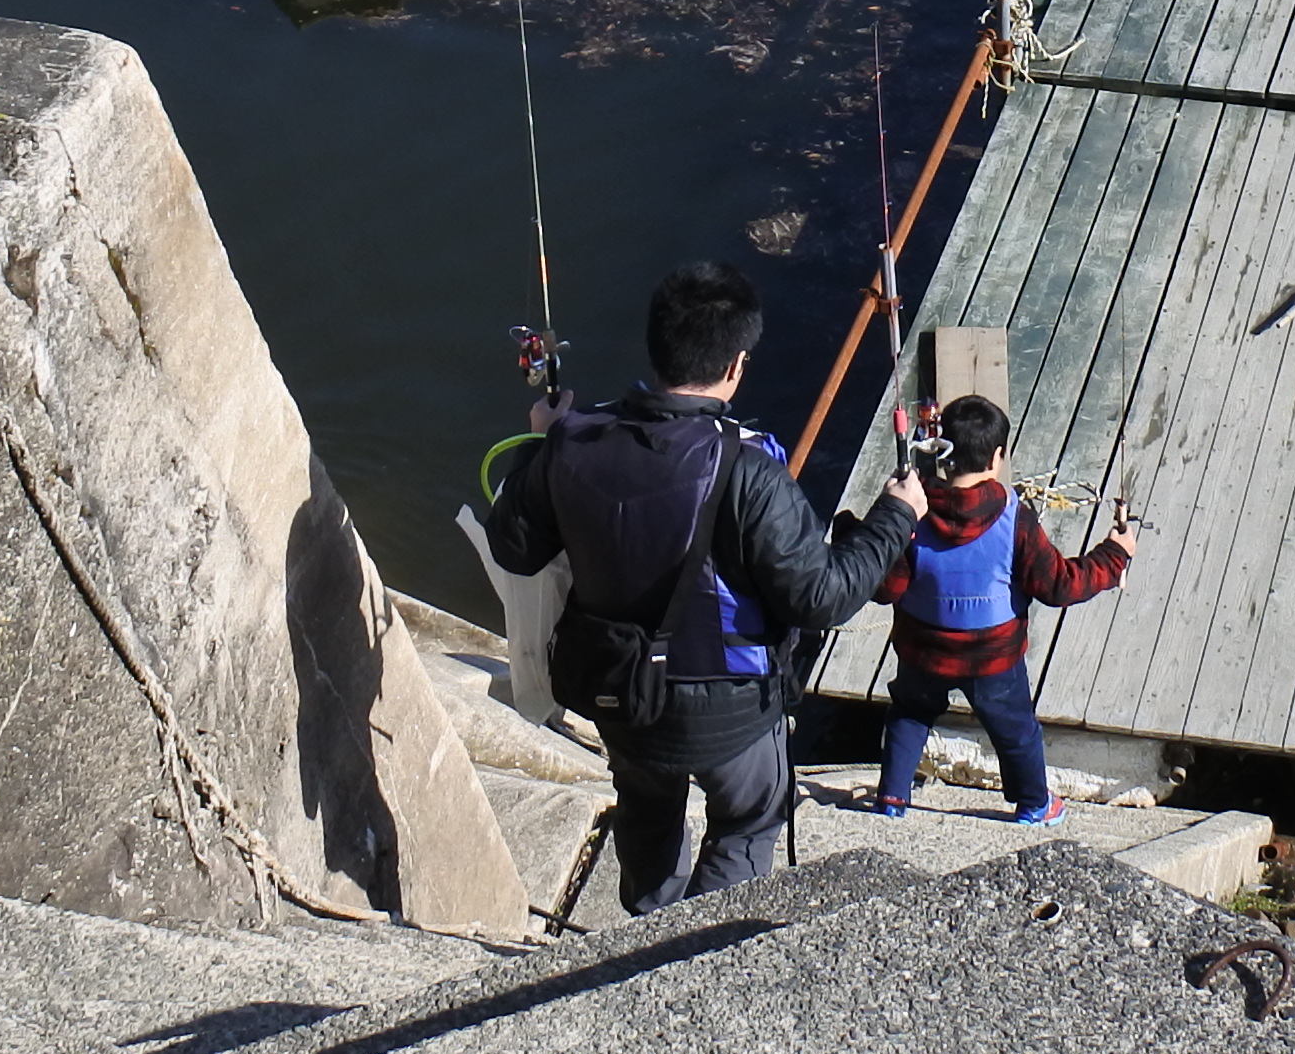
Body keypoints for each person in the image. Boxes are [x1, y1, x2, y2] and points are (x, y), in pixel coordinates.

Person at [474, 264, 912, 915]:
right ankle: (695, 948)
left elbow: (513, 545)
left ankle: (650, 928)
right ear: (736, 365)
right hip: (732, 708)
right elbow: (821, 597)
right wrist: (896, 515)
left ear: (656, 349)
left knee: (648, 817)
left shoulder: (571, 444)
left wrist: (539, 441)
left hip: (619, 692)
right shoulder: (751, 467)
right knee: (750, 821)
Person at [862, 398, 1128, 823]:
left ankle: (892, 799)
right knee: (1016, 731)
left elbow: (885, 588)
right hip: (994, 659)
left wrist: (856, 529)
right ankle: (1034, 804)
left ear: (939, 448)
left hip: (923, 651)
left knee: (909, 713)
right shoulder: (1015, 517)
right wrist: (1114, 555)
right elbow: (1060, 585)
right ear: (999, 456)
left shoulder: (910, 512)